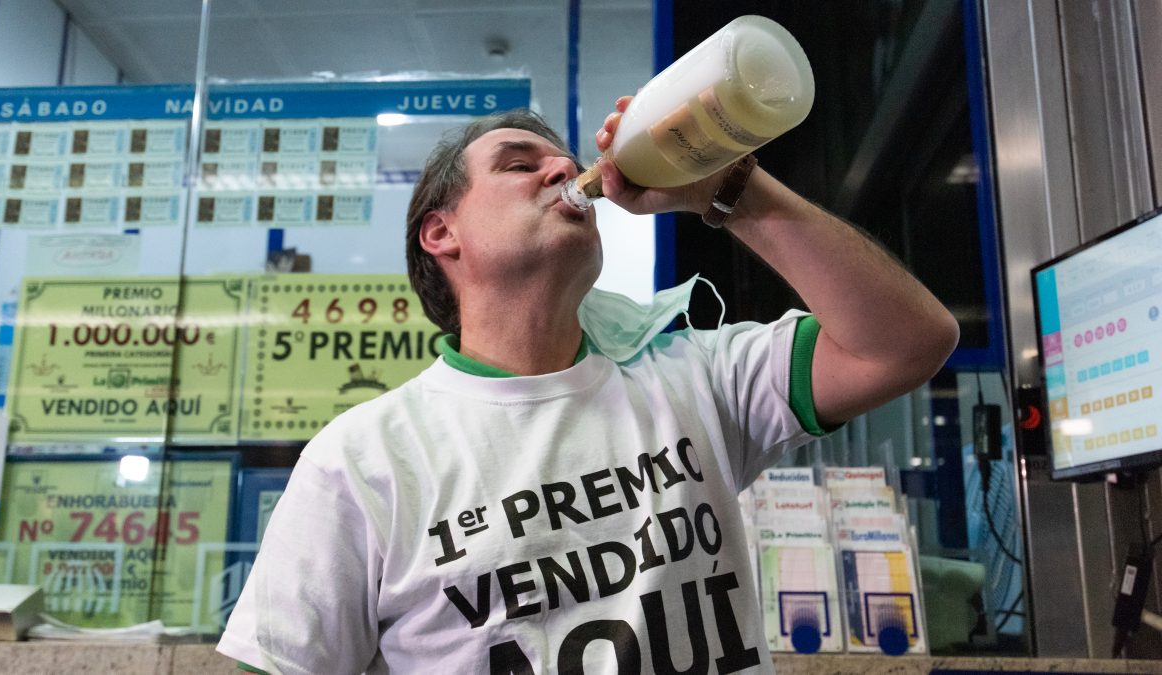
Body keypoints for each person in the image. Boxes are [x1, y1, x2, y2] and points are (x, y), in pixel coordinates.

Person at [217, 97, 959, 674]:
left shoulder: (696, 378)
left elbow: (906, 344)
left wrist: (732, 188)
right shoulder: (364, 459)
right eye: (518, 163)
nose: (559, 171)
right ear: (442, 233)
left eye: (563, 160)